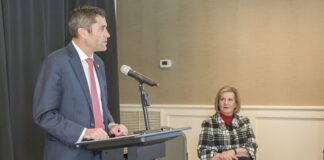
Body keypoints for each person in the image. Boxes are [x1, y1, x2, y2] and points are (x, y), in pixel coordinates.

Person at [33, 5, 128, 160]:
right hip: (69, 154)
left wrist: (111, 125)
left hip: (101, 153)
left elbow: (98, 105)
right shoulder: (56, 62)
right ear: (83, 32)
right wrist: (84, 132)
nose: (108, 34)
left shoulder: (98, 63)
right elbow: (44, 115)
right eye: (102, 29)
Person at [197, 86, 257, 160]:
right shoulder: (208, 123)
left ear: (236, 104)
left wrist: (233, 152)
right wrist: (222, 155)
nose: (226, 103)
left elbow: (252, 147)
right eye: (222, 99)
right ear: (218, 103)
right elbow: (202, 152)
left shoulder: (245, 121)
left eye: (230, 100)